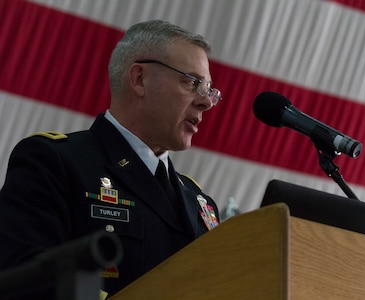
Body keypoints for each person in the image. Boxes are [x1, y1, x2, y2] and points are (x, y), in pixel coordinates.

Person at [0, 20, 221, 298]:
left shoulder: (198, 201)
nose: (206, 102)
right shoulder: (55, 162)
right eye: (192, 82)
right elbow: (24, 281)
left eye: (209, 89)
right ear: (139, 79)